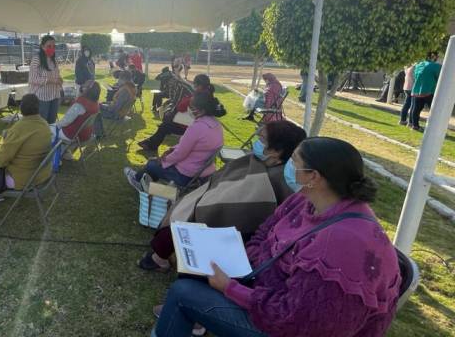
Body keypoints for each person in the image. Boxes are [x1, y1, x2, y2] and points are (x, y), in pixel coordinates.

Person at [152, 137, 401, 337]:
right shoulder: (304, 200)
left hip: (286, 325)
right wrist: (238, 260)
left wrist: (230, 287)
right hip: (266, 288)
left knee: (183, 293)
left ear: (314, 176)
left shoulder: (338, 245)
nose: (288, 166)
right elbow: (265, 232)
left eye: (294, 161)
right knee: (194, 269)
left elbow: (297, 320)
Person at [139, 121, 307, 273]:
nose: (257, 142)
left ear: (277, 151)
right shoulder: (254, 159)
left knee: (190, 216)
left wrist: (209, 205)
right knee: (187, 210)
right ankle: (163, 254)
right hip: (211, 198)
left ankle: (160, 259)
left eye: (262, 139)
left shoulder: (279, 178)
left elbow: (248, 207)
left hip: (231, 225)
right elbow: (221, 182)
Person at [0, 94, 53, 225]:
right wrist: (10, 136)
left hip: (23, 179)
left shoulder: (19, 128)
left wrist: (7, 138)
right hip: (41, 174)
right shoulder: (44, 124)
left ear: (21, 108)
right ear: (38, 107)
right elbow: (29, 139)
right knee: (3, 169)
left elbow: (1, 160)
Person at [125, 92, 226, 190]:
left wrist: (163, 160)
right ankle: (149, 185)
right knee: (155, 165)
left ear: (202, 110)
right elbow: (187, 147)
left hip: (186, 175)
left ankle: (138, 180)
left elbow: (180, 154)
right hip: (202, 173)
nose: (189, 109)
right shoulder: (216, 125)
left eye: (192, 107)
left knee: (152, 164)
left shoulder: (197, 127)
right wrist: (171, 149)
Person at [138, 74, 210, 152]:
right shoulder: (206, 95)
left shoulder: (199, 97)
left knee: (166, 123)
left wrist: (178, 110)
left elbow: (182, 107)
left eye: (195, 84)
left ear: (199, 85)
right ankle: (151, 144)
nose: (193, 86)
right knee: (166, 124)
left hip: (192, 126)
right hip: (193, 123)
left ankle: (151, 144)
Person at [51, 82, 101, 158]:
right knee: (53, 127)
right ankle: (64, 152)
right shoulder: (96, 104)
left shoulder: (81, 104)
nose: (82, 87)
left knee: (47, 129)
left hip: (73, 135)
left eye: (84, 86)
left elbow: (66, 121)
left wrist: (56, 125)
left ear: (86, 90)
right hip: (86, 134)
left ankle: (54, 156)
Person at [28, 35, 63, 124]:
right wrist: (50, 80)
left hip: (54, 95)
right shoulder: (37, 59)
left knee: (52, 123)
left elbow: (56, 74)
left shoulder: (53, 59)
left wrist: (59, 79)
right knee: (42, 124)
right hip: (42, 97)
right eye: (49, 46)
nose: (52, 48)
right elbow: (32, 79)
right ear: (43, 47)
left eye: (54, 46)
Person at [409, 51, 441, 131]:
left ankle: (415, 126)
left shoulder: (419, 65)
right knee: (434, 111)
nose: (437, 58)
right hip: (429, 91)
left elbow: (415, 76)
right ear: (433, 56)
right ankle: (434, 128)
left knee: (416, 109)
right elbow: (440, 77)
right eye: (437, 56)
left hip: (416, 90)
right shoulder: (436, 66)